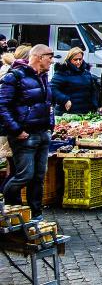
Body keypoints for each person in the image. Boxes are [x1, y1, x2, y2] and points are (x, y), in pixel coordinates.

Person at [0, 45, 55, 219]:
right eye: (49, 57)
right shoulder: (14, 77)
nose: (52, 60)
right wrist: (16, 129)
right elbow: (2, 105)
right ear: (39, 57)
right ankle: (6, 207)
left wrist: (50, 125)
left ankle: (36, 214)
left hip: (42, 132)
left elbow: (48, 104)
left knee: (38, 177)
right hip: (24, 135)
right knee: (24, 175)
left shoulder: (43, 77)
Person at [50, 47, 99, 115]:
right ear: (70, 59)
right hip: (67, 112)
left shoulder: (86, 73)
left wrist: (95, 105)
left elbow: (93, 90)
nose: (78, 62)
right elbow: (52, 88)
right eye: (75, 60)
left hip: (85, 112)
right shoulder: (62, 72)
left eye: (80, 59)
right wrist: (65, 99)